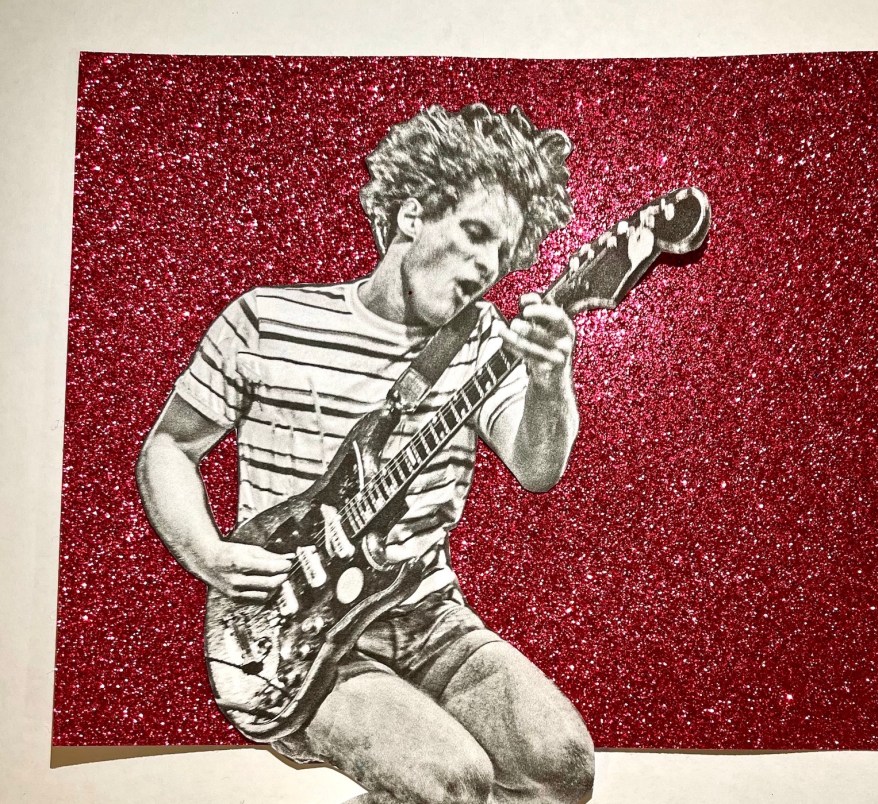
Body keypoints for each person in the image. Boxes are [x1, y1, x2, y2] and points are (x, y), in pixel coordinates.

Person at [136, 103, 595, 804]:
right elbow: (170, 445)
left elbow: (537, 467)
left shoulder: (483, 344)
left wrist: (550, 379)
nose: (486, 267)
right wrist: (206, 553)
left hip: (425, 615)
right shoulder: (268, 320)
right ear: (413, 215)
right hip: (294, 629)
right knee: (453, 782)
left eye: (501, 253)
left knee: (562, 767)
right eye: (475, 234)